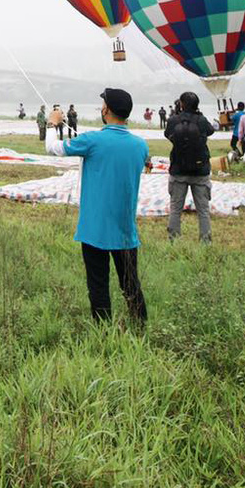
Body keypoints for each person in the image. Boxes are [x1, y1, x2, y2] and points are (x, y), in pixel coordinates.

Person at [63, 88, 152, 324]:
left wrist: (54, 125)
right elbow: (143, 158)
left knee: (98, 283)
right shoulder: (141, 145)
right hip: (125, 231)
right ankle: (140, 324)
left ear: (106, 110)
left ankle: (102, 330)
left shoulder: (92, 140)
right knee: (130, 282)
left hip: (94, 230)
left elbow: (53, 147)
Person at [163, 91, 215, 243]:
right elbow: (211, 131)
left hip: (178, 170)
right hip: (200, 171)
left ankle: (173, 241)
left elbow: (168, 135)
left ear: (181, 103)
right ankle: (206, 242)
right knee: (203, 211)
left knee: (175, 209)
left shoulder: (173, 120)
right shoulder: (202, 120)